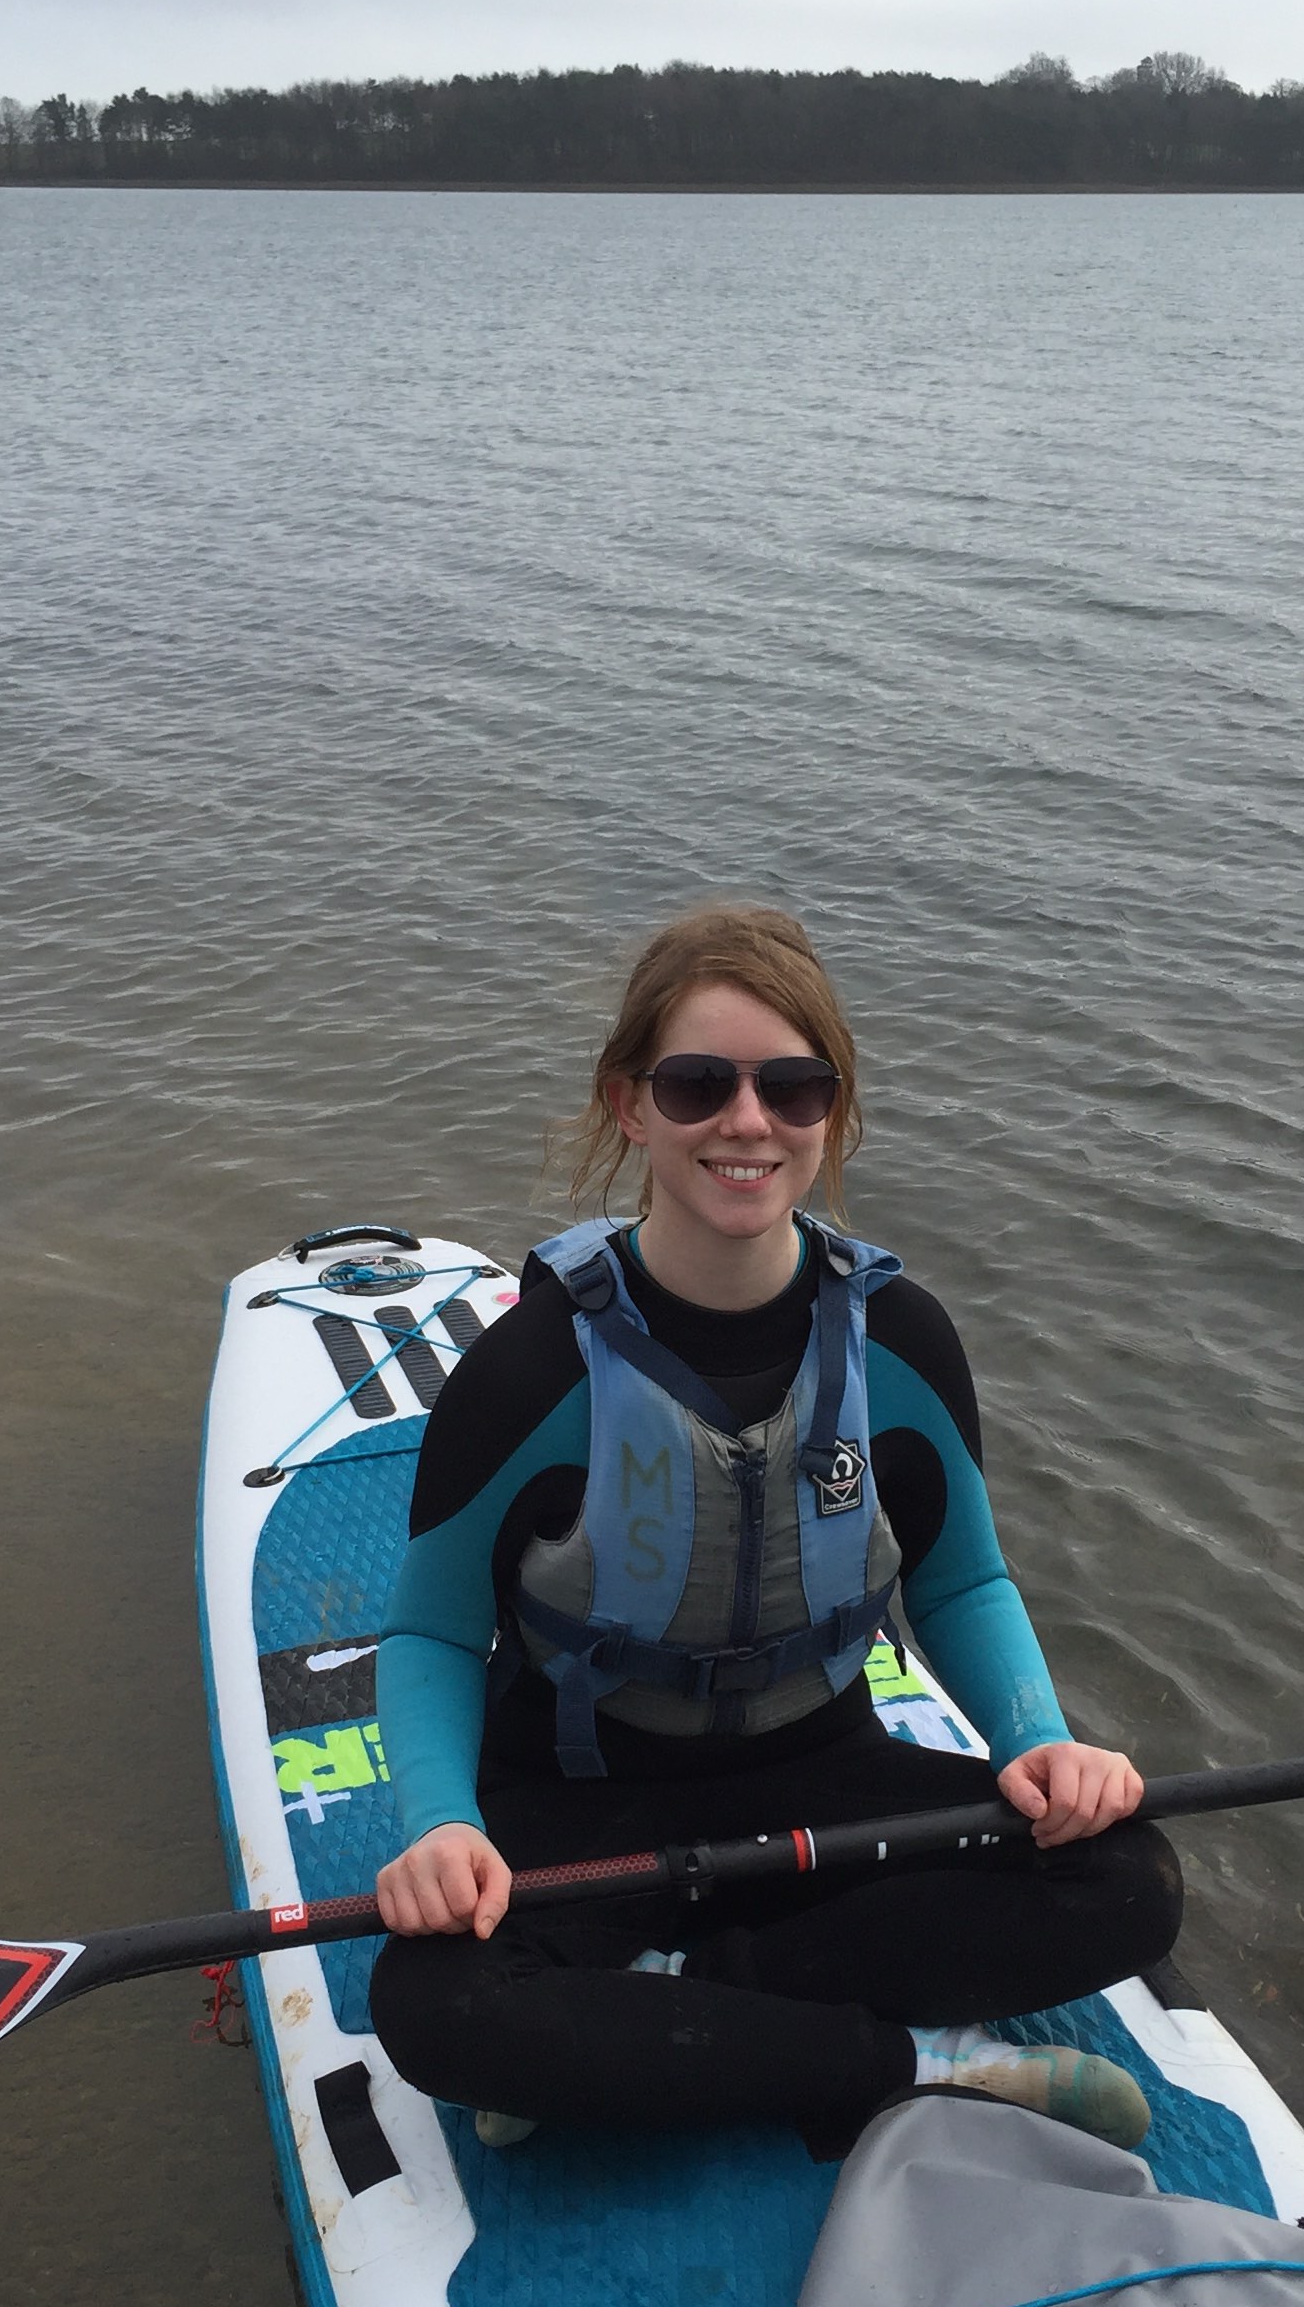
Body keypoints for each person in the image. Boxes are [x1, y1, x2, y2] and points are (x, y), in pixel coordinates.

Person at [368, 903, 1181, 2150]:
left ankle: (666, 2018)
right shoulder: (531, 1371)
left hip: (827, 1775)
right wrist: (442, 1825)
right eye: (698, 1085)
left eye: (792, 1088)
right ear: (630, 1105)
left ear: (831, 1116)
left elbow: (961, 1586)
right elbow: (429, 1636)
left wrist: (1044, 1743)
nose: (747, 1123)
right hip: (584, 1794)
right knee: (431, 2008)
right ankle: (907, 2064)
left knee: (1128, 1880)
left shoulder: (903, 1344)